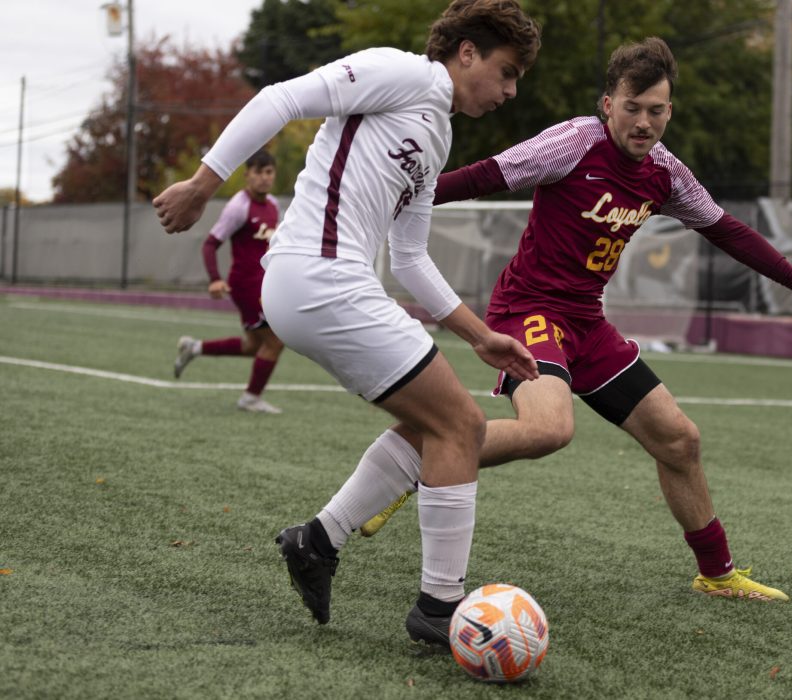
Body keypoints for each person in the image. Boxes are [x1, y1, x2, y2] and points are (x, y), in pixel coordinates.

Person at [355, 37, 792, 604]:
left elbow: (729, 231)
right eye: (632, 107)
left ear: (670, 111)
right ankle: (428, 460)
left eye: (657, 110)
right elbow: (480, 178)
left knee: (680, 440)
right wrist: (390, 200)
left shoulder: (666, 174)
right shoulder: (573, 143)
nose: (644, 123)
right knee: (550, 429)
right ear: (608, 104)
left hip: (587, 325)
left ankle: (717, 574)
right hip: (529, 311)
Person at [152, 0, 541, 644]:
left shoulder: (438, 134)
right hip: (319, 275)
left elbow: (409, 257)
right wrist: (203, 182)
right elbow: (280, 99)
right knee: (463, 424)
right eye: (506, 71)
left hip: (326, 284)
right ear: (466, 52)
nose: (510, 89)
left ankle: (317, 542)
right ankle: (438, 609)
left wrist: (480, 336)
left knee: (434, 425)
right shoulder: (403, 70)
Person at [173, 149, 286, 414]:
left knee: (252, 346)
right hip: (245, 285)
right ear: (247, 175)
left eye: (269, 172)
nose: (264, 178)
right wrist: (214, 279)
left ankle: (194, 347)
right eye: (258, 172)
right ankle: (250, 398)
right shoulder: (239, 206)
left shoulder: (273, 205)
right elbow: (211, 244)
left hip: (264, 284)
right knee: (275, 341)